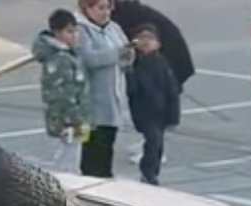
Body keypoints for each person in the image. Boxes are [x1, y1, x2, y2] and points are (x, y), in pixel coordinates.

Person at [75, 0, 133, 178]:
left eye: (109, 7)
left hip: (113, 98)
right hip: (91, 102)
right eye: (100, 8)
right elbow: (90, 59)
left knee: (108, 142)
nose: (105, 12)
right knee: (93, 147)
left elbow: (126, 53)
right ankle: (93, 181)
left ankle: (105, 177)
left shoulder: (113, 28)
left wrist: (128, 54)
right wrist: (117, 53)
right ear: (87, 8)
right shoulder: (81, 30)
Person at [33, 8, 92, 174]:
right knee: (67, 158)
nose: (74, 36)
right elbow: (60, 95)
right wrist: (70, 120)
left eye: (75, 31)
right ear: (57, 33)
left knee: (73, 155)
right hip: (69, 119)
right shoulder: (59, 58)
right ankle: (63, 190)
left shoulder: (70, 54)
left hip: (79, 117)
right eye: (69, 32)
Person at [126, 22, 180, 183]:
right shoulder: (134, 64)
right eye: (142, 37)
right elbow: (132, 90)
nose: (146, 41)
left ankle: (152, 172)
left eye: (150, 38)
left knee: (158, 144)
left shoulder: (162, 63)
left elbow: (172, 90)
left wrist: (173, 116)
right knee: (153, 140)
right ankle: (148, 172)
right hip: (144, 112)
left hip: (161, 111)